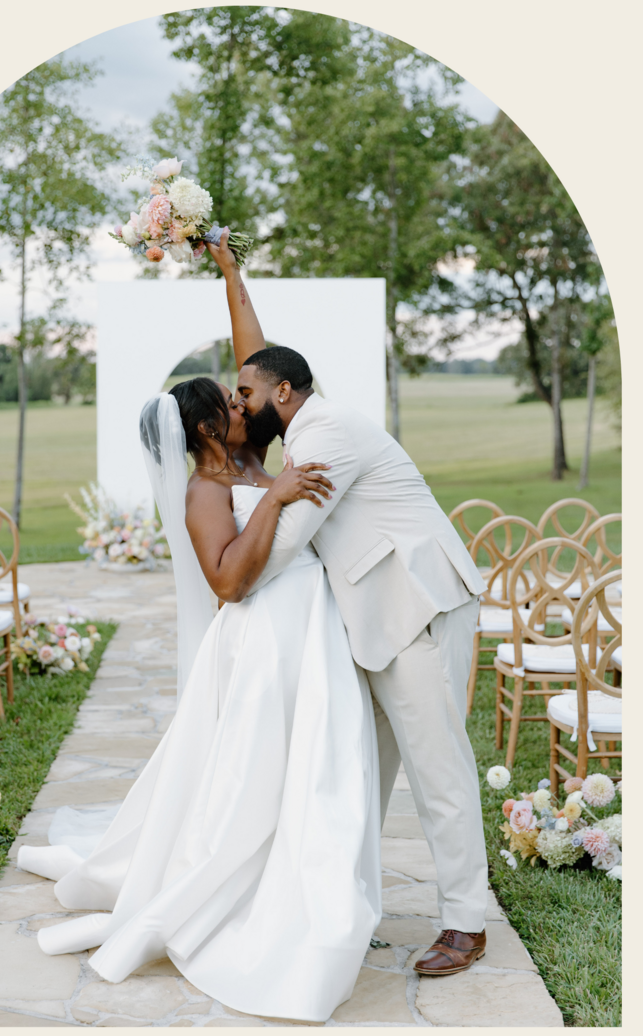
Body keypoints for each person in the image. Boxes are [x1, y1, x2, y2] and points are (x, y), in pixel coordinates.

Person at [17, 299, 383, 1019]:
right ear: (212, 427)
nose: (244, 399)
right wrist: (275, 500)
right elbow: (227, 582)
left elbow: (260, 357)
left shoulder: (259, 455)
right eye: (232, 399)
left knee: (321, 768)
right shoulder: (207, 490)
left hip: (311, 634)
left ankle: (319, 893)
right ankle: (246, 898)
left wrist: (229, 272)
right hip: (260, 645)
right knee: (256, 778)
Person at [205, 228, 492, 976]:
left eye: (248, 392)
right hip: (374, 623)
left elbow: (293, 536)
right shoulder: (297, 429)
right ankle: (348, 909)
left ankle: (467, 921)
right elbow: (259, 360)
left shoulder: (325, 428)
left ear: (285, 395)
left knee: (440, 771)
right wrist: (230, 273)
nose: (240, 402)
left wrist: (234, 580)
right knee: (359, 775)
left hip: (417, 609)